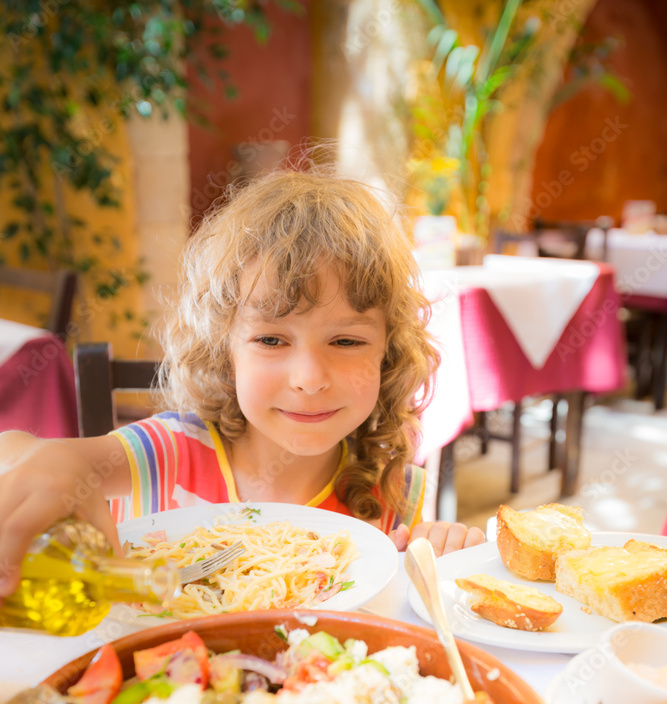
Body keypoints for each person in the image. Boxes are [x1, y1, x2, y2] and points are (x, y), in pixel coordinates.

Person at [0, 169, 484, 599]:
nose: (309, 379)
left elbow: (401, 609)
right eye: (272, 339)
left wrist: (447, 553)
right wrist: (42, 458)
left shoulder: (397, 494)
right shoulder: (167, 453)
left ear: (388, 352)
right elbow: (21, 455)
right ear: (224, 350)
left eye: (346, 341)